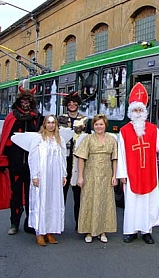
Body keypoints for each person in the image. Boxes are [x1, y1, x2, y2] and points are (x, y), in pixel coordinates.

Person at [116, 82, 159, 244]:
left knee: (148, 202)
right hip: (132, 172)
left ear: (145, 112)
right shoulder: (124, 131)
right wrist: (122, 175)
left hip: (149, 172)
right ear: (131, 112)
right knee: (132, 203)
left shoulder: (153, 129)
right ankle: (130, 231)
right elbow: (120, 154)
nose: (138, 113)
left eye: (140, 110)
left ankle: (146, 231)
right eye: (135, 110)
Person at [0, 83, 42, 235]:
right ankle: (14, 223)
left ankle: (30, 222)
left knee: (32, 194)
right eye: (23, 101)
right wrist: (4, 161)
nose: (26, 104)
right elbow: (6, 141)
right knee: (15, 195)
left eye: (28, 101)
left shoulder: (37, 117)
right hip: (15, 163)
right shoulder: (12, 117)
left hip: (32, 165)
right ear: (19, 101)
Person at [74, 114, 117, 243]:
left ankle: (102, 231)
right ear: (93, 126)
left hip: (106, 173)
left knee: (105, 202)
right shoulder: (88, 139)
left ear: (105, 125)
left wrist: (115, 176)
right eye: (96, 124)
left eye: (101, 124)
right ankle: (89, 231)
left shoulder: (112, 139)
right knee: (89, 200)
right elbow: (81, 158)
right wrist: (80, 176)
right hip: (90, 173)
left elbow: (114, 158)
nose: (99, 127)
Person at [27, 115, 67, 246]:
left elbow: (62, 158)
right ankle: (40, 232)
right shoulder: (38, 139)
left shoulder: (59, 139)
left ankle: (50, 231)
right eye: (48, 123)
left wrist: (63, 174)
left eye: (53, 123)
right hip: (42, 175)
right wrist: (35, 175)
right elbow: (32, 158)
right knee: (41, 201)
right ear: (44, 124)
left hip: (54, 176)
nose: (51, 125)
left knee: (53, 202)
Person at [58, 91, 89, 231]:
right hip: (63, 158)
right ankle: (58, 224)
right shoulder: (60, 119)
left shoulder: (84, 119)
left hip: (78, 159)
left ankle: (80, 224)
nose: (72, 105)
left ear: (78, 104)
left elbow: (87, 139)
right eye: (69, 103)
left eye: (74, 103)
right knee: (61, 194)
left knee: (78, 195)